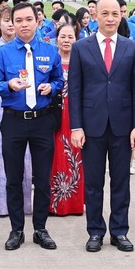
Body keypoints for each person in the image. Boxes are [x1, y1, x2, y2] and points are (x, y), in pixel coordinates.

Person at [69, 0, 135, 253]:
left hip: (123, 127)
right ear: (96, 16)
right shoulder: (81, 47)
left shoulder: (132, 48)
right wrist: (76, 127)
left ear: (121, 16)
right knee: (92, 183)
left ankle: (119, 231)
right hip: (91, 126)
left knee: (121, 181)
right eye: (105, 13)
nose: (110, 18)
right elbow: (76, 90)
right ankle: (95, 231)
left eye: (115, 13)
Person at [0, 2, 64, 251]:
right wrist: (9, 85)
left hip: (42, 120)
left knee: (42, 178)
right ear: (11, 23)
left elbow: (58, 79)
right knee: (14, 178)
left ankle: (40, 229)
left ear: (37, 21)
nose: (23, 24)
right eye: (18, 20)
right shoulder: (3, 53)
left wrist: (51, 88)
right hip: (13, 121)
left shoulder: (49, 50)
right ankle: (16, 229)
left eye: (28, 19)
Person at [0, 7, 33, 217]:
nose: (11, 25)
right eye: (7, 20)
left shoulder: (28, 48)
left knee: (24, 157)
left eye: (15, 20)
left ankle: (23, 204)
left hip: (22, 106)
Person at [50, 20, 84, 217]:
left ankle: (75, 203)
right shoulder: (51, 61)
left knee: (76, 156)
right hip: (55, 115)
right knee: (54, 156)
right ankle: (54, 203)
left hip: (75, 115)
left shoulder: (82, 62)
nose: (66, 40)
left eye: (70, 36)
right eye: (63, 36)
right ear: (56, 39)